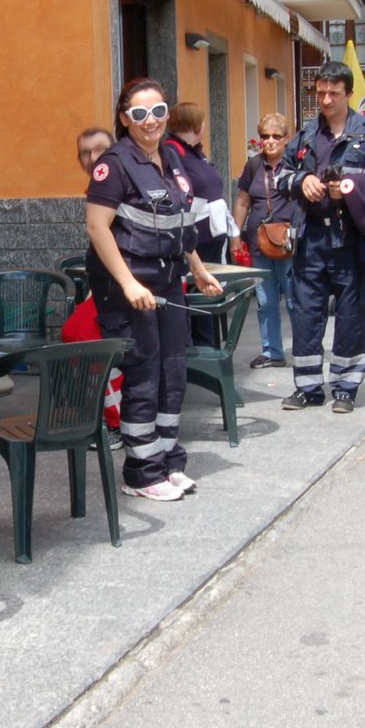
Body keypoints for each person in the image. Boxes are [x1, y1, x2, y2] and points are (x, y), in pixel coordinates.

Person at [85, 78, 222, 500]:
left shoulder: (171, 159)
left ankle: (167, 460)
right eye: (141, 114)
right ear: (125, 119)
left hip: (169, 281)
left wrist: (197, 269)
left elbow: (180, 224)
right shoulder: (114, 163)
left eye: (159, 112)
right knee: (144, 373)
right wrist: (127, 283)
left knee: (172, 370)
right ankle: (141, 473)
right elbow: (96, 226)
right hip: (129, 285)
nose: (151, 122)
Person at [278, 61, 365, 414]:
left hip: (351, 239)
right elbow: (279, 177)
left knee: (349, 315)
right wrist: (302, 182)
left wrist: (350, 188)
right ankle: (308, 387)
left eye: (333, 92)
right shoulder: (305, 136)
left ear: (347, 93)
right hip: (311, 239)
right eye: (321, 92)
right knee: (306, 315)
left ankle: (345, 387)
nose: (326, 99)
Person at [61, 127, 123, 450]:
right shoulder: (98, 184)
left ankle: (116, 422)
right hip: (106, 285)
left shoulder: (119, 180)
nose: (92, 157)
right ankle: (102, 411)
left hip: (127, 286)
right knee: (73, 333)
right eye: (85, 152)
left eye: (99, 149)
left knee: (88, 339)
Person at [231, 112, 296, 369]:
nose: (269, 141)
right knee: (265, 301)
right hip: (259, 244)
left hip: (289, 244)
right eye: (264, 136)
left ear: (286, 138)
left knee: (294, 300)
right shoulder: (254, 165)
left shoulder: (295, 166)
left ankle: (304, 349)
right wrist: (235, 234)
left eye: (275, 136)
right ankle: (272, 351)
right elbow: (242, 201)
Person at [165, 102, 229, 348]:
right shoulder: (173, 151)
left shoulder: (194, 151)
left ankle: (209, 346)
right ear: (195, 124)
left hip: (211, 235)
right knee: (200, 296)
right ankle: (201, 348)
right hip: (196, 239)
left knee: (210, 295)